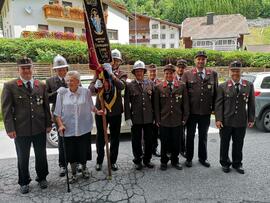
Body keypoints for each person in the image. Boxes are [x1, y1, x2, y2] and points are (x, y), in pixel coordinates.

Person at [1, 57, 52, 194]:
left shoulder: (40, 85)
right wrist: (10, 128)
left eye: (28, 67)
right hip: (20, 129)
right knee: (23, 157)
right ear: (18, 70)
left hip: (39, 127)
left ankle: (42, 177)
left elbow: (46, 107)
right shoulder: (10, 86)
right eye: (23, 68)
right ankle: (24, 181)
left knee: (41, 155)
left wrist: (48, 124)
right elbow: (6, 110)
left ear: (33, 68)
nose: (26, 70)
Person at [54, 71, 103, 183]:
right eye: (68, 80)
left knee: (83, 151)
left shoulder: (86, 92)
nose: (69, 82)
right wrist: (60, 125)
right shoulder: (61, 94)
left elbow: (91, 106)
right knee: (71, 153)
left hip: (83, 128)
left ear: (78, 81)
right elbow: (57, 114)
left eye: (72, 80)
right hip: (68, 129)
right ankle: (74, 173)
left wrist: (98, 112)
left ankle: (85, 169)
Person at [90, 49, 127, 172]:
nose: (115, 62)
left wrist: (111, 74)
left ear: (120, 62)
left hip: (115, 111)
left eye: (117, 61)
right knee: (100, 136)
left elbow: (121, 86)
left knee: (115, 137)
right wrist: (95, 86)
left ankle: (113, 161)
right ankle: (99, 160)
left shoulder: (122, 73)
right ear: (109, 61)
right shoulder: (99, 72)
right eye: (113, 60)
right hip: (101, 110)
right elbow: (90, 88)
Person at [215, 61, 255, 174]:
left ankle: (237, 163)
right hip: (226, 121)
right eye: (233, 71)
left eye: (237, 71)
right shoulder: (222, 86)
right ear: (229, 71)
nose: (235, 73)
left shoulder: (248, 85)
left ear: (241, 72)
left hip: (241, 120)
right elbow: (218, 104)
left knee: (238, 143)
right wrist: (218, 119)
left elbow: (251, 103)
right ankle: (225, 163)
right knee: (225, 143)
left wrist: (251, 119)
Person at [182, 51, 218, 168]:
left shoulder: (212, 74)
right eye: (199, 59)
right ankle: (189, 158)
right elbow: (183, 94)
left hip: (206, 112)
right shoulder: (187, 74)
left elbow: (216, 93)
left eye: (203, 59)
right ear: (195, 60)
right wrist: (184, 111)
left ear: (205, 61)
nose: (201, 61)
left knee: (203, 136)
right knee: (190, 136)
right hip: (191, 112)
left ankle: (203, 158)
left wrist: (214, 110)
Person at [154, 64, 189, 170]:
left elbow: (185, 104)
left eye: (171, 73)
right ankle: (164, 161)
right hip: (164, 120)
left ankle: (175, 160)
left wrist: (184, 118)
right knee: (164, 142)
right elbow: (156, 106)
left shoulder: (182, 86)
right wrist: (158, 120)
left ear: (174, 74)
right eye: (167, 73)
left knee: (176, 142)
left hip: (177, 120)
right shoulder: (158, 87)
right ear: (164, 74)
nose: (169, 75)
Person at [124, 60, 154, 170]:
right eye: (137, 71)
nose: (139, 73)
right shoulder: (130, 85)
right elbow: (126, 102)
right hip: (135, 117)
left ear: (144, 72)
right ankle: (138, 160)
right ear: (134, 73)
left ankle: (147, 159)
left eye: (141, 71)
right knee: (136, 140)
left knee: (149, 140)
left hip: (148, 117)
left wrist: (154, 116)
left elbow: (154, 101)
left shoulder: (150, 83)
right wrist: (127, 117)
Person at [46, 54, 68, 177]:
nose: (61, 71)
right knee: (61, 141)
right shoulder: (50, 81)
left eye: (63, 69)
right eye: (59, 69)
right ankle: (62, 165)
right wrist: (56, 92)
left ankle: (75, 163)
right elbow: (47, 98)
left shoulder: (71, 77)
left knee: (73, 140)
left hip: (71, 113)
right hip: (58, 114)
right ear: (55, 70)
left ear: (66, 69)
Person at [147, 64, 161, 157]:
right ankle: (146, 150)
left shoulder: (160, 82)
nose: (153, 73)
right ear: (147, 73)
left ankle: (154, 148)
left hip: (157, 112)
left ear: (156, 72)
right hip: (147, 112)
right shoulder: (144, 82)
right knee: (146, 133)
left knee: (155, 132)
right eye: (151, 71)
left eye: (154, 71)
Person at [175, 59, 188, 158]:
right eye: (179, 67)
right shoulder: (171, 77)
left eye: (182, 68)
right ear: (176, 68)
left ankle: (182, 149)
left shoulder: (187, 79)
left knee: (183, 131)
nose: (180, 69)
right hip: (173, 108)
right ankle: (173, 150)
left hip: (183, 108)